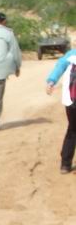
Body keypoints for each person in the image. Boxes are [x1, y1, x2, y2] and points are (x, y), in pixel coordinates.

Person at [45, 45, 76, 173]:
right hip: (72, 99)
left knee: (73, 129)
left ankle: (65, 164)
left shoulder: (71, 54)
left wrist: (51, 82)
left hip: (71, 100)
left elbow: (59, 67)